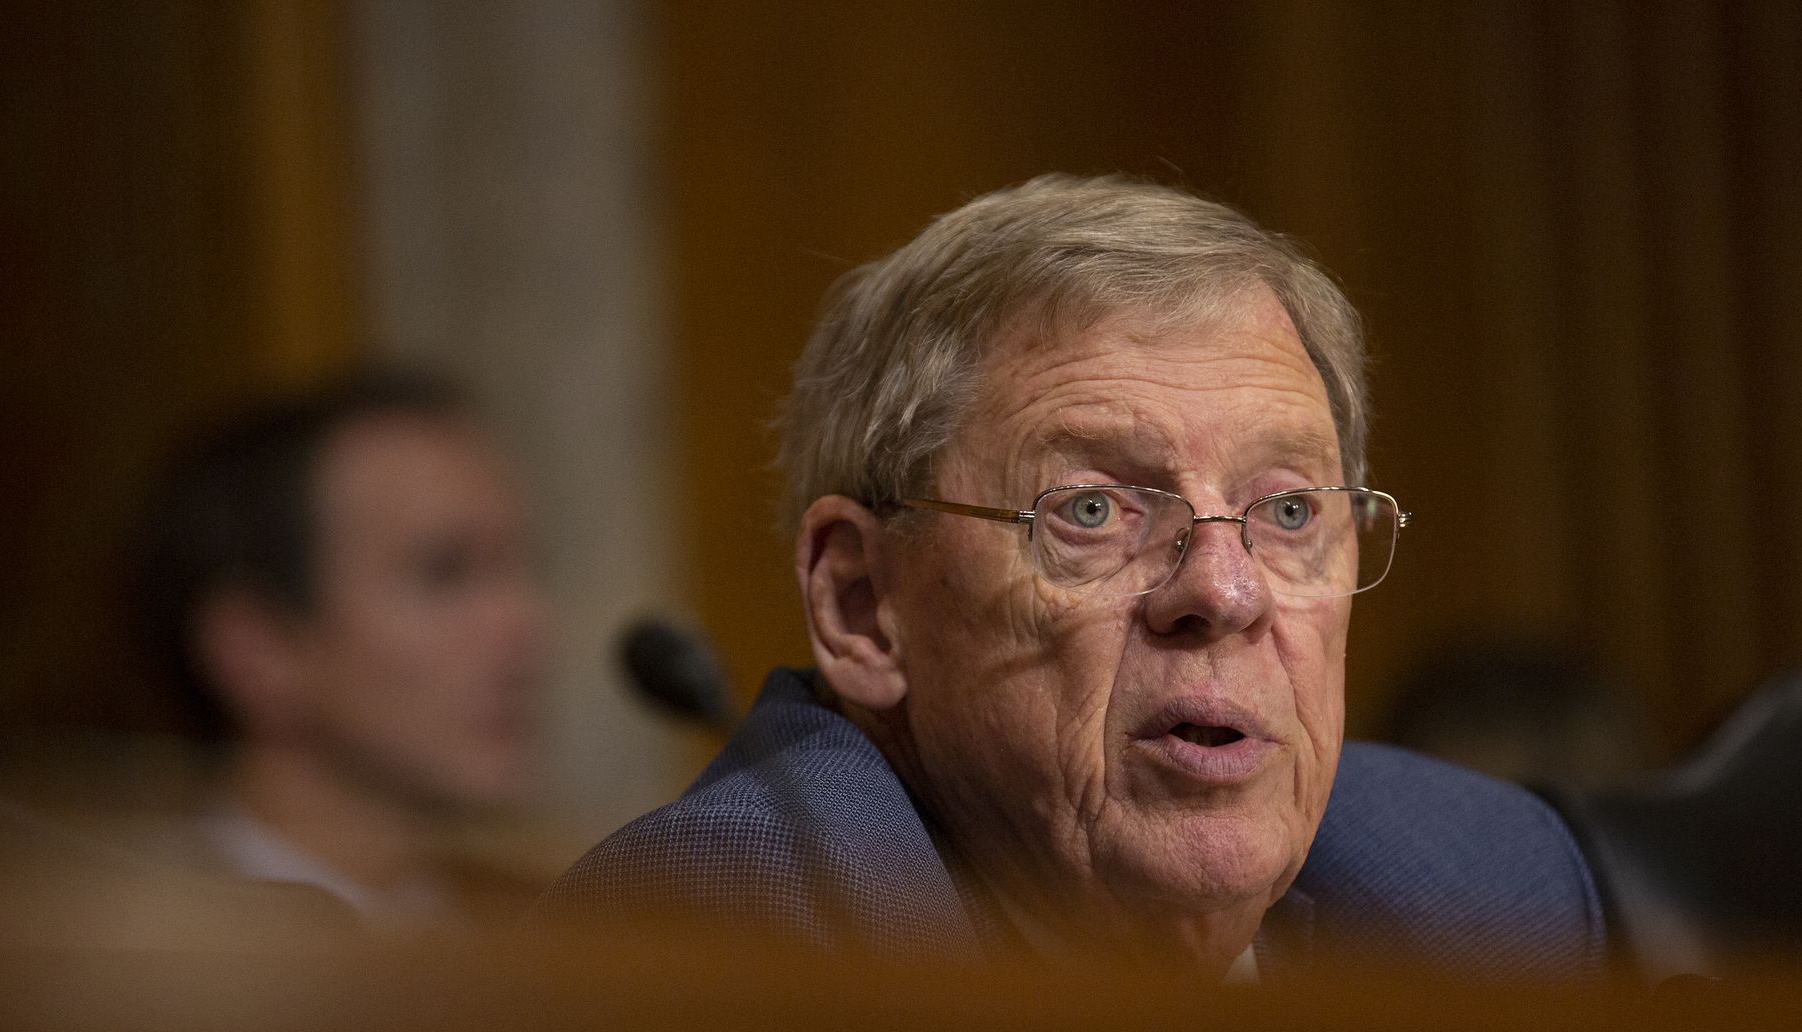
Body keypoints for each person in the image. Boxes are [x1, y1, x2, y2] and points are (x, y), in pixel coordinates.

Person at [541, 176, 1604, 981]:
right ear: (863, 607)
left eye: (1288, 512)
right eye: (1091, 512)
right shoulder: (730, 933)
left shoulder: (1480, 883)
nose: (1223, 592)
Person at [134, 369, 548, 932]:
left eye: (514, 568)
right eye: (443, 573)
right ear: (256, 650)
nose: (523, 625)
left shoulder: (535, 930)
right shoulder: (138, 946)